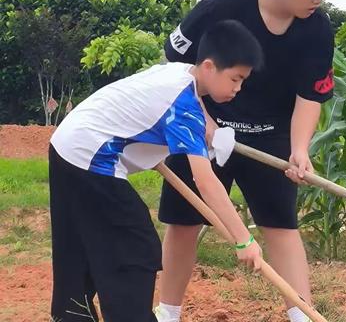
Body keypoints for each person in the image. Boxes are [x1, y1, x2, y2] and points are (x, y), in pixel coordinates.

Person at [157, 0, 338, 322]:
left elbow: (311, 94)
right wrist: (204, 125)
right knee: (185, 219)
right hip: (204, 120)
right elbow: (176, 67)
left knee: (280, 224)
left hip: (270, 132)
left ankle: (302, 315)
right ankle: (168, 313)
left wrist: (299, 149)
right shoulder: (224, 5)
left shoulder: (318, 28)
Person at [48, 20, 264, 322]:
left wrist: (213, 133)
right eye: (235, 79)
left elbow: (193, 109)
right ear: (210, 67)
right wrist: (244, 239)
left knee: (79, 247)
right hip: (90, 157)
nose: (238, 89)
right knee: (134, 247)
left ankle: (72, 315)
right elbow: (205, 182)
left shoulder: (178, 71)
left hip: (67, 145)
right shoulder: (184, 107)